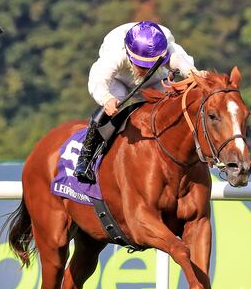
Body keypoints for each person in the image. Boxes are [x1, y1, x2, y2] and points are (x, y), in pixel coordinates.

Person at [73, 21, 201, 183]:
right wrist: (107, 99)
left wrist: (193, 73)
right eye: (141, 66)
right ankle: (85, 158)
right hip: (119, 80)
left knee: (172, 104)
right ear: (129, 55)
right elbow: (98, 79)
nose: (145, 71)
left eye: (150, 65)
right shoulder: (116, 52)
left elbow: (180, 61)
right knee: (117, 98)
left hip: (155, 80)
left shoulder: (167, 46)